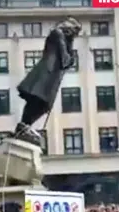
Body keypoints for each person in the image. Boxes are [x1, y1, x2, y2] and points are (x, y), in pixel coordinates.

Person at [14, 17, 81, 145]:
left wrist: (70, 44)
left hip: (51, 77)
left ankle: (24, 126)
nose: (73, 35)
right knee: (37, 100)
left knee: (43, 105)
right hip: (45, 74)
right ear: (68, 27)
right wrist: (70, 46)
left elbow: (67, 61)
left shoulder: (63, 38)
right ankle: (23, 125)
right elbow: (65, 60)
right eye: (74, 31)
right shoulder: (57, 33)